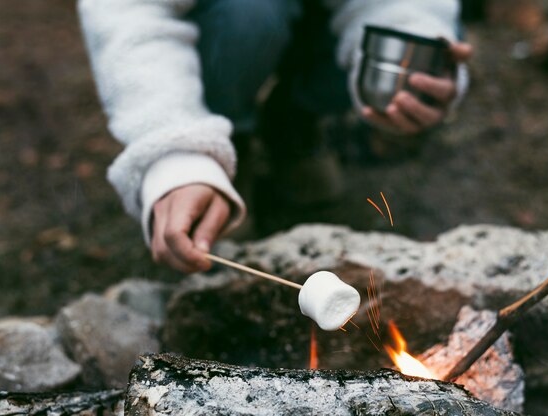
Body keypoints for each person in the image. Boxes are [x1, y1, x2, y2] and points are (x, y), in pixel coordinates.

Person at [77, 0, 472, 273]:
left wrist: (412, 55)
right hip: (229, 20)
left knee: (405, 39)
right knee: (248, 14)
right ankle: (226, 143)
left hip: (320, 25)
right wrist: (178, 152)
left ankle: (295, 120)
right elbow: (129, 14)